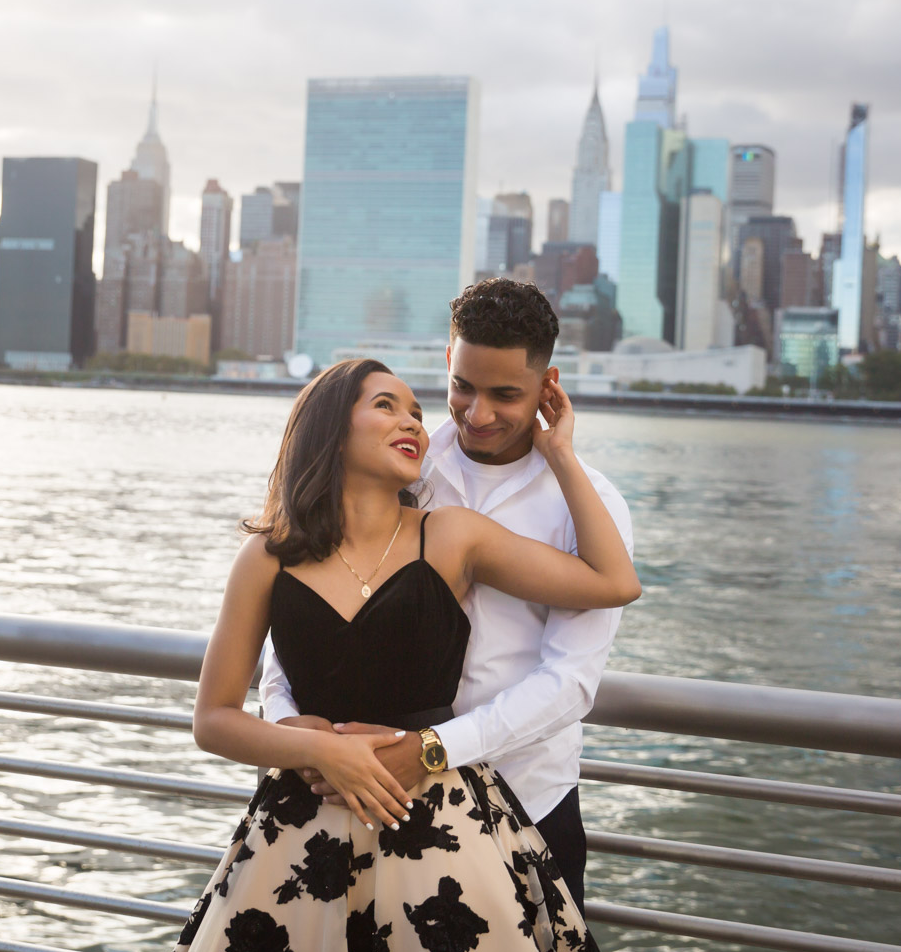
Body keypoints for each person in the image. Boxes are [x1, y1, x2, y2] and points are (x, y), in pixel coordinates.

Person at [162, 356, 637, 952]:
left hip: (439, 819)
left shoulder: (452, 536)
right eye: (385, 405)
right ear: (330, 426)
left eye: (416, 409)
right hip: (305, 823)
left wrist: (561, 456)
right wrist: (320, 751)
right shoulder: (267, 555)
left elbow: (613, 580)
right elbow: (213, 718)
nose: (412, 419)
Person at [262, 279, 631, 913]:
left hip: (527, 801)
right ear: (448, 362)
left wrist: (433, 750)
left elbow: (571, 681)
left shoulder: (591, 507)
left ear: (549, 386)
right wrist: (286, 721)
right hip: (371, 792)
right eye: (463, 386)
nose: (477, 412)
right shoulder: (400, 462)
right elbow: (309, 604)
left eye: (505, 394)